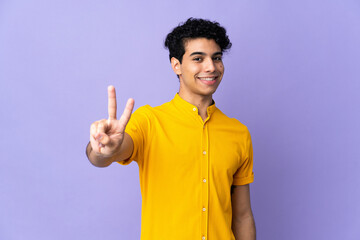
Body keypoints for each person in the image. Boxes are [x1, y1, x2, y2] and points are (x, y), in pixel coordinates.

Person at [86, 18, 256, 240]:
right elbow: (104, 155)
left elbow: (242, 216)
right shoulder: (150, 121)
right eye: (198, 58)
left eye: (217, 58)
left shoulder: (238, 133)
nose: (211, 67)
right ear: (176, 65)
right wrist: (102, 150)